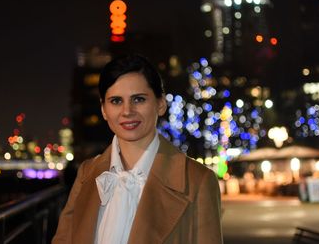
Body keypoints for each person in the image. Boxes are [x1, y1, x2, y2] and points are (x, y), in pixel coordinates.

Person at [52, 54, 223, 244]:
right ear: (103, 109)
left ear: (160, 104)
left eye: (139, 99)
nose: (127, 111)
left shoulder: (198, 181)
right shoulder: (87, 174)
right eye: (116, 101)